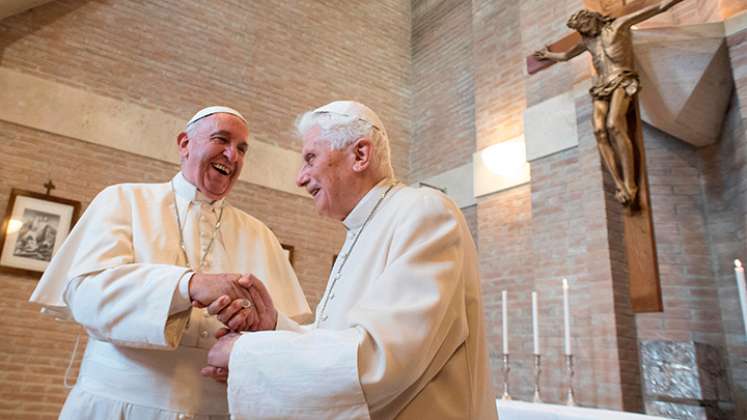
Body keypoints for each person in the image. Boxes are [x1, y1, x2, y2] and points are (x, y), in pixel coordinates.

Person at [202, 101, 497, 419]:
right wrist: (273, 325)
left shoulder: (424, 211)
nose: (300, 179)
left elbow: (383, 358)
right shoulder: (363, 228)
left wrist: (244, 353)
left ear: (360, 155)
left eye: (310, 158)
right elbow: (341, 340)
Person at [29, 106, 311, 419]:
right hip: (115, 408)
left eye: (242, 149)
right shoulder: (123, 200)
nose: (233, 155)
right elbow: (86, 296)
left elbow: (286, 333)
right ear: (184, 144)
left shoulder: (262, 236)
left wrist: (248, 358)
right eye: (222, 140)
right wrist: (188, 285)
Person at [533, 0, 685, 206]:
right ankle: (619, 184)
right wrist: (548, 55)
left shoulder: (620, 25)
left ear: (593, 20)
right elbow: (567, 55)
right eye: (580, 31)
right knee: (599, 131)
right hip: (601, 86)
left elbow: (659, 7)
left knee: (614, 124)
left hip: (622, 79)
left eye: (584, 28)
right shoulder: (587, 41)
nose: (584, 33)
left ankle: (630, 183)